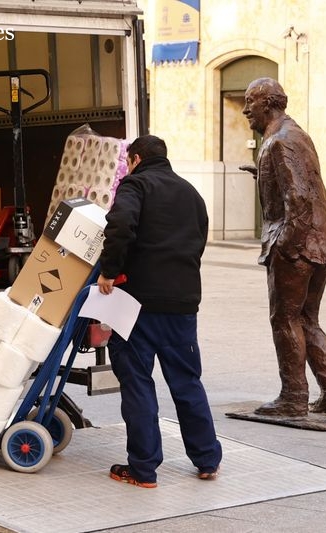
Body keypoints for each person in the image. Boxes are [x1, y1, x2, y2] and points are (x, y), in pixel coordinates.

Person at [97, 135, 222, 488]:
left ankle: (143, 469)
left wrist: (109, 271)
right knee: (187, 382)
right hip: (183, 304)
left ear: (135, 159)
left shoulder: (135, 186)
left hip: (139, 304)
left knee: (138, 382)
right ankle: (207, 460)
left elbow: (120, 226)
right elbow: (198, 241)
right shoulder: (191, 193)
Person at [241, 77, 326, 418]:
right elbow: (303, 183)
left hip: (297, 243)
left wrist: (285, 245)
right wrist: (263, 176)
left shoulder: (280, 141)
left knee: (285, 318)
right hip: (318, 241)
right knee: (306, 318)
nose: (245, 110)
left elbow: (299, 197)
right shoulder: (294, 134)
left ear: (268, 103)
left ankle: (293, 396)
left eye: (250, 102)